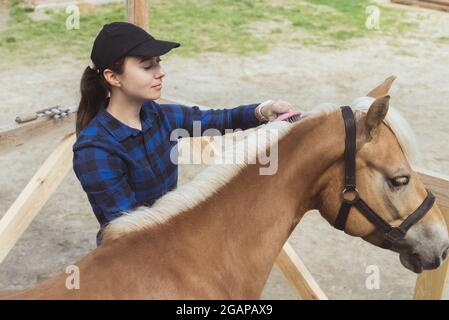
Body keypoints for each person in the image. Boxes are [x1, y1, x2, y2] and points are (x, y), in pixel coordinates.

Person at [73, 21, 295, 246]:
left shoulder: (158, 116)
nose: (161, 73)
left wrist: (264, 110)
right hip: (130, 256)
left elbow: (219, 119)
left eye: (158, 63)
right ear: (113, 77)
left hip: (171, 236)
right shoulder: (94, 150)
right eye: (147, 66)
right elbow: (130, 229)